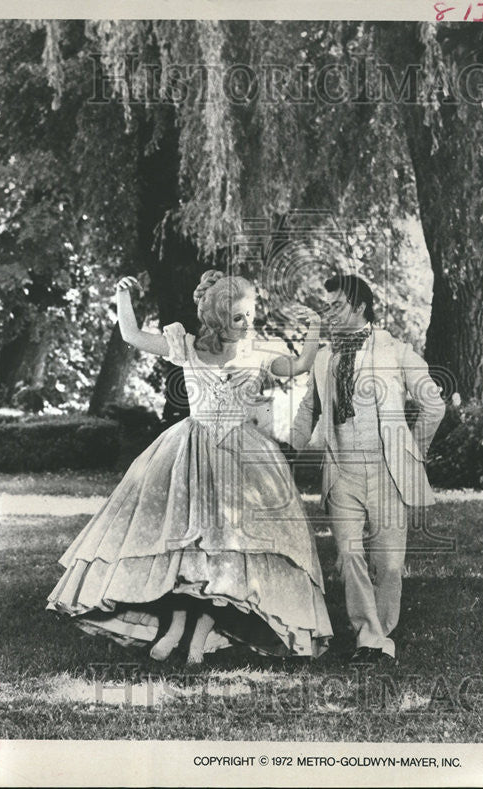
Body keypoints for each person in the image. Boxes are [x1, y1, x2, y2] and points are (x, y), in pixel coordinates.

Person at [47, 270, 332, 664]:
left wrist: (315, 327)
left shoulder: (259, 353)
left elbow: (300, 366)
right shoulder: (187, 345)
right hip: (190, 450)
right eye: (238, 317)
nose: (247, 323)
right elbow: (131, 336)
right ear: (217, 317)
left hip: (243, 457)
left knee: (226, 552)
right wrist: (123, 297)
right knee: (186, 546)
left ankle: (200, 636)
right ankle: (177, 628)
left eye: (250, 315)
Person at [290, 274, 445, 664]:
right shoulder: (324, 356)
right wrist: (287, 452)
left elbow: (434, 404)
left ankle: (378, 632)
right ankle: (369, 639)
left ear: (360, 307)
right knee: (349, 555)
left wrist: (413, 451)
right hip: (341, 470)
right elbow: (310, 407)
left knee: (389, 564)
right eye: (326, 307)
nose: (328, 314)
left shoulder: (394, 349)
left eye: (336, 306)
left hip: (388, 469)